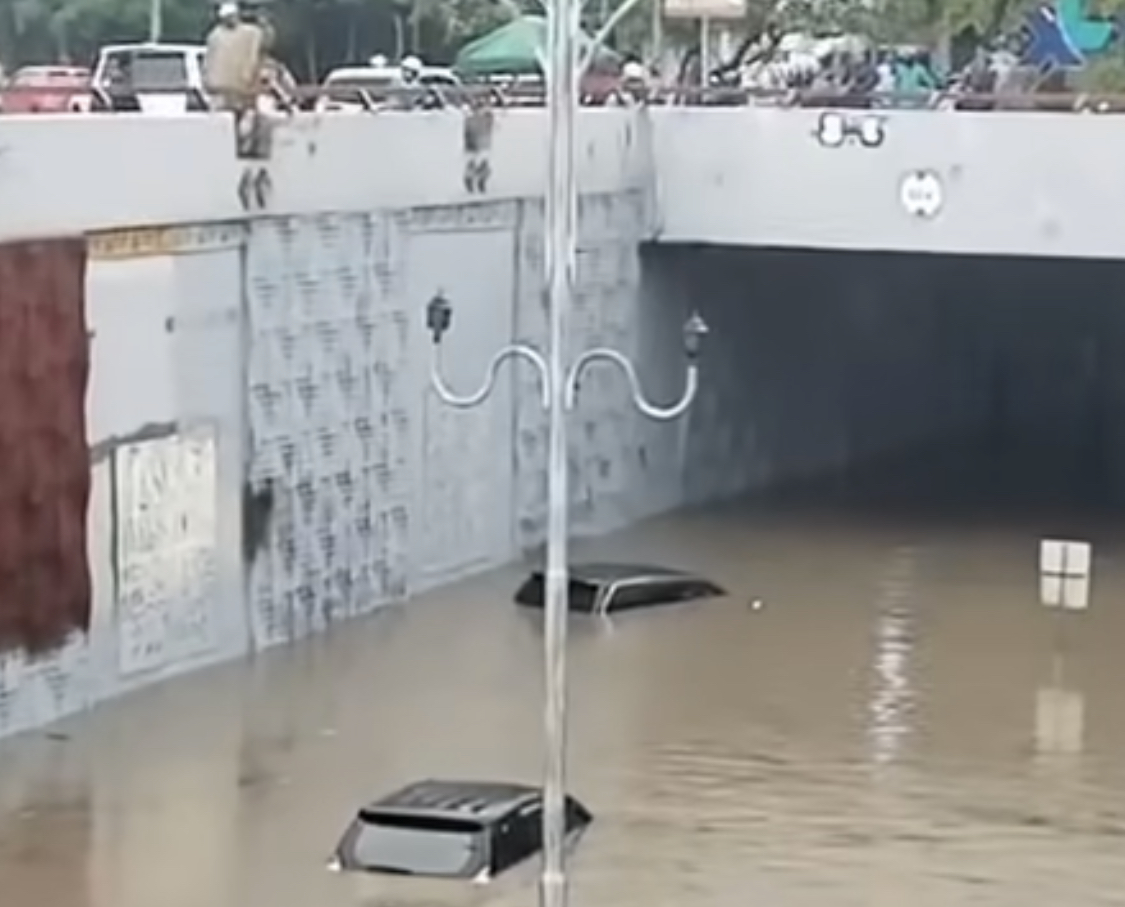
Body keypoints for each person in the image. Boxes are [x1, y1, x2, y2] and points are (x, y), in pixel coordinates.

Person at [203, 0, 266, 112]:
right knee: (222, 119)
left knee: (244, 117)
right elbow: (209, 61)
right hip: (221, 89)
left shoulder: (250, 33)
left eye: (231, 16)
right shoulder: (215, 36)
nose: (229, 20)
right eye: (226, 17)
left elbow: (261, 45)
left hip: (242, 89)